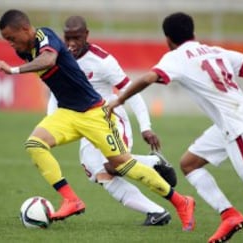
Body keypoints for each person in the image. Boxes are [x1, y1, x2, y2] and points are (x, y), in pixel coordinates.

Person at [0, 9, 195, 231]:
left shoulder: (46, 38)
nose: (10, 44)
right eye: (6, 40)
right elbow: (56, 85)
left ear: (25, 29)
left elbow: (49, 60)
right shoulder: (25, 51)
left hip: (94, 113)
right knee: (35, 144)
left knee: (122, 165)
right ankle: (71, 200)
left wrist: (13, 70)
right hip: (67, 113)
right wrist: (51, 119)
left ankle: (181, 201)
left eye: (11, 38)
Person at [107, 12, 243, 243]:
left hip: (238, 126)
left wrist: (120, 99)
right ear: (193, 32)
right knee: (189, 163)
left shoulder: (175, 57)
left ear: (167, 39)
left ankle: (231, 215)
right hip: (236, 119)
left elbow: (147, 78)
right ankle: (229, 215)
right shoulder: (213, 50)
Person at [46, 15, 177, 226]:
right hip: (84, 125)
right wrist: (51, 126)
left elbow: (131, 91)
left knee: (113, 166)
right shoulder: (58, 58)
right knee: (97, 173)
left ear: (86, 35)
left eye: (76, 38)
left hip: (111, 119)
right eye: (68, 38)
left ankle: (154, 163)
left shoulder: (102, 61)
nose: (71, 44)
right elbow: (55, 93)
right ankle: (156, 212)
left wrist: (146, 127)